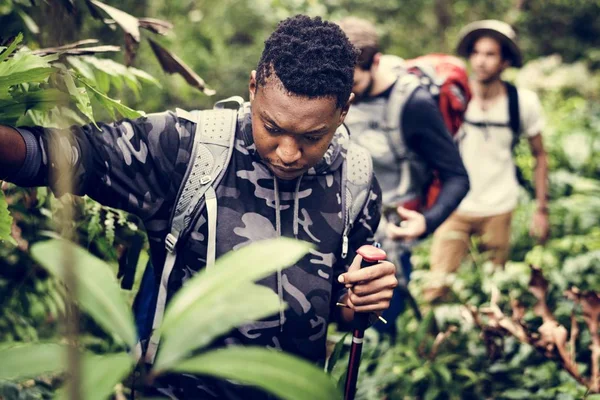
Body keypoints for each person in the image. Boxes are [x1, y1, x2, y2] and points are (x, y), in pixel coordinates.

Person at [0, 15, 398, 398]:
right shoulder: (187, 147)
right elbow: (70, 153)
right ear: (254, 87)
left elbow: (338, 308)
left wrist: (362, 300)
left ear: (344, 109)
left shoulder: (356, 179)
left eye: (313, 136)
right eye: (272, 128)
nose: (289, 153)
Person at [337, 17, 470, 338]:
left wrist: (427, 220)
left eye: (351, 84)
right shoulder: (337, 89)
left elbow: (457, 176)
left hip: (388, 234)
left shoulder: (414, 104)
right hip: (339, 222)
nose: (345, 95)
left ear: (376, 62)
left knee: (378, 328)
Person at [427, 20, 549, 301]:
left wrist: (541, 209)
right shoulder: (451, 97)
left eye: (490, 54)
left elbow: (540, 155)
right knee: (436, 288)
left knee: (494, 291)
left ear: (505, 61)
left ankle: (487, 342)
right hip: (453, 206)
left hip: (499, 207)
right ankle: (433, 343)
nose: (481, 61)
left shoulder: (522, 103)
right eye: (476, 53)